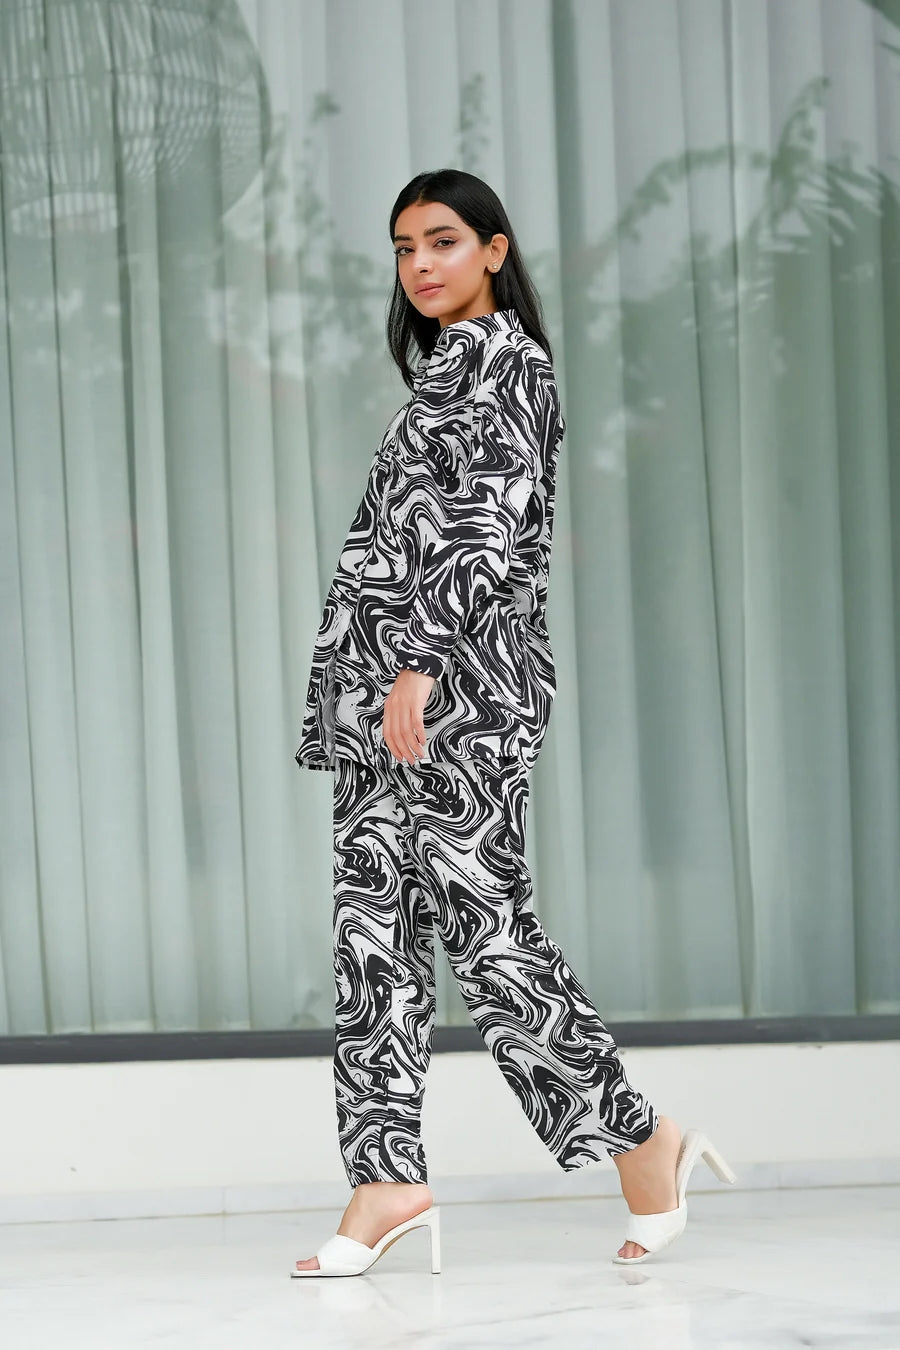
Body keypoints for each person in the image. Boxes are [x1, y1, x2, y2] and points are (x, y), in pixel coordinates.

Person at [290, 170, 734, 1279]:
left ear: (494, 250)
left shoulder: (510, 365)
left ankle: (641, 1138)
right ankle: (385, 1177)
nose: (420, 264)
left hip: (459, 692)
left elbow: (486, 524)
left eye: (442, 241)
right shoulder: (444, 370)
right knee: (373, 940)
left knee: (488, 935)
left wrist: (420, 661)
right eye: (404, 248)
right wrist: (375, 676)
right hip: (382, 696)